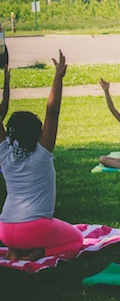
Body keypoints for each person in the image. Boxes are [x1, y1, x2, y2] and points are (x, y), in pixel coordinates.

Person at [0, 50, 84, 261]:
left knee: (25, 237)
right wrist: (58, 77)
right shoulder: (41, 153)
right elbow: (52, 112)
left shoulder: (5, 154)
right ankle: (39, 253)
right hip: (34, 230)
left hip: (5, 229)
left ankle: (14, 251)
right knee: (76, 240)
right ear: (37, 133)